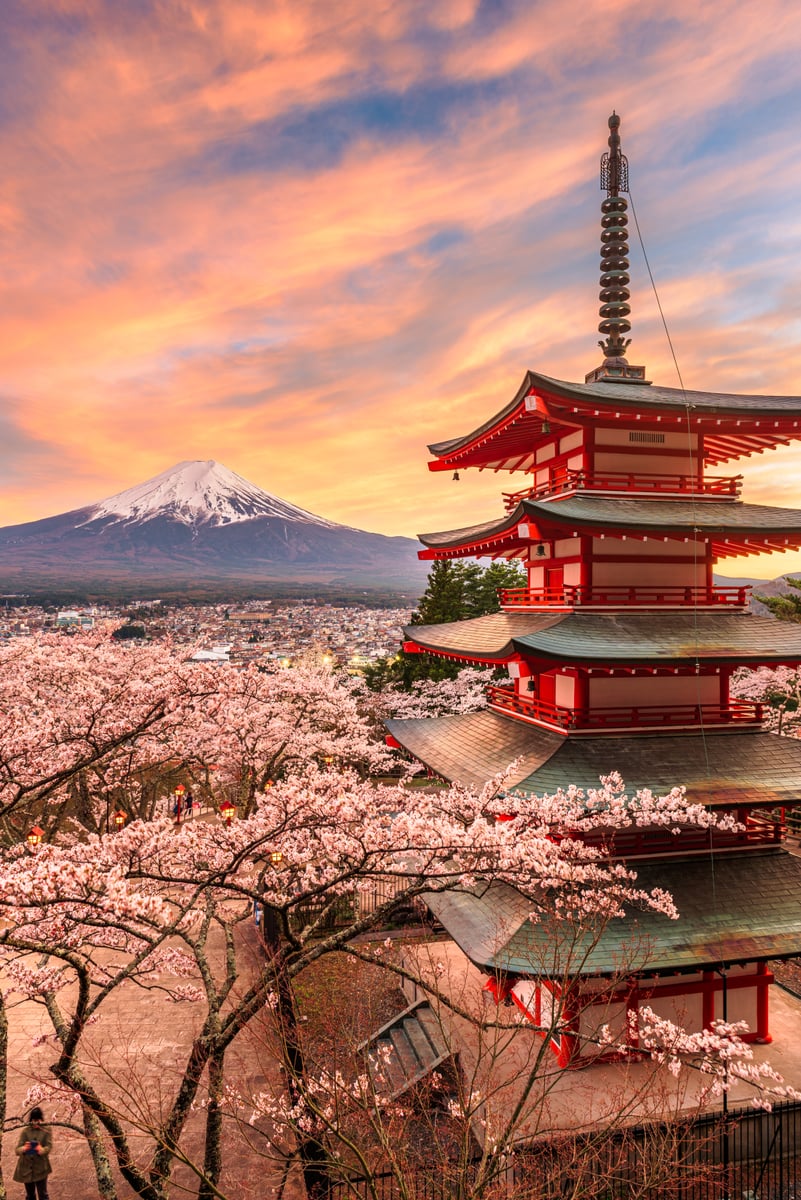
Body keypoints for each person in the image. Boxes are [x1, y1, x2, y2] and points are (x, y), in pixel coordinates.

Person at [13, 1107, 52, 1199]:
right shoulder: (26, 1131)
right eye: (34, 1120)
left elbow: (49, 1146)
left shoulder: (46, 1130)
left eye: (38, 1120)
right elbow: (17, 1150)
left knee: (43, 1194)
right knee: (30, 1195)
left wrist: (41, 1150)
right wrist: (24, 1148)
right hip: (27, 1168)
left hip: (40, 1168)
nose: (36, 1123)